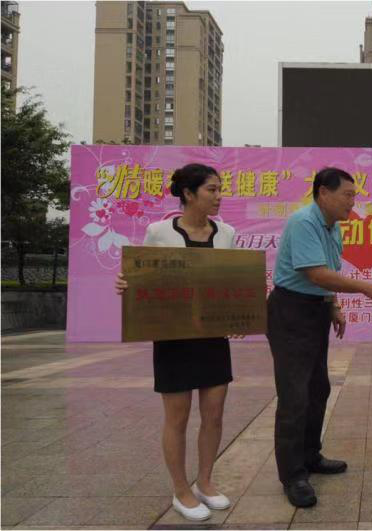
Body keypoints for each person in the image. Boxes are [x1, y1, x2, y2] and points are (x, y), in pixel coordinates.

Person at [115, 163, 237, 521]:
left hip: (212, 336)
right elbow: (141, 276)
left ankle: (205, 482)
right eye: (211, 189)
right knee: (177, 418)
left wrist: (240, 313)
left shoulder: (227, 233)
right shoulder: (158, 231)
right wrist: (125, 284)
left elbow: (230, 281)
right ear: (188, 193)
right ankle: (181, 490)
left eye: (220, 189)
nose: (218, 196)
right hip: (172, 337)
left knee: (214, 415)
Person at [267, 167, 372, 508]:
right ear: (323, 192)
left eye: (354, 196)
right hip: (291, 311)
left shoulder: (333, 227)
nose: (353, 202)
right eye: (347, 195)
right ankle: (292, 475)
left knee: (317, 387)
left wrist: (333, 306)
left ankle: (310, 456)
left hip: (315, 310)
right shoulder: (304, 222)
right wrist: (365, 287)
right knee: (294, 395)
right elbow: (316, 274)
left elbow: (329, 273)